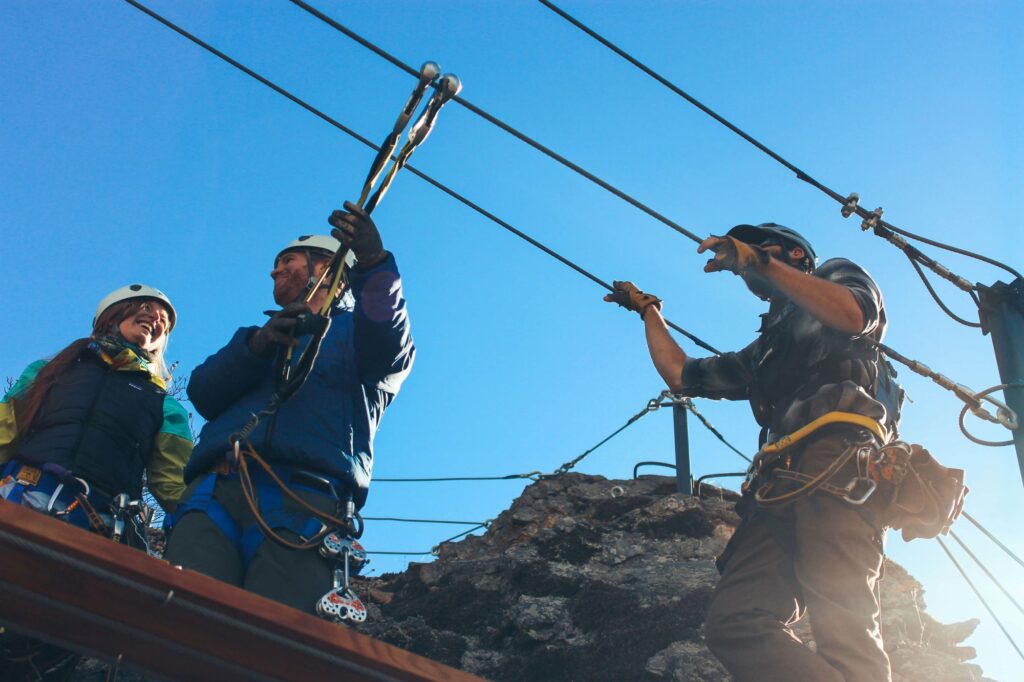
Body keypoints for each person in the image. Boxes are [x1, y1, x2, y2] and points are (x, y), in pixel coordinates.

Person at [604, 223, 900, 682]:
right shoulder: (765, 349)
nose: (753, 255)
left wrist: (757, 261)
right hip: (775, 486)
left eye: (765, 245)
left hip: (838, 462)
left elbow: (853, 314)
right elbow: (683, 375)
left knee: (846, 625)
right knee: (735, 622)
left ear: (797, 255)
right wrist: (648, 310)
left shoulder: (836, 274)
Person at [164, 201, 415, 616]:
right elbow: (205, 393)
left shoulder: (359, 337)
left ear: (326, 268)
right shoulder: (254, 338)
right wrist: (257, 348)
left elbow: (390, 343)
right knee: (184, 622)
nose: (274, 271)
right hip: (217, 492)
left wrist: (375, 266)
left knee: (275, 635)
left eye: (288, 260)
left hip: (305, 501)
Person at [0, 283, 192, 680]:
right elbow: (6, 429)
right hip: (19, 496)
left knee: (48, 637)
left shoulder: (164, 403)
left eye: (163, 322)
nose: (155, 319)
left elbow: (174, 484)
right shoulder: (49, 371)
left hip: (97, 521)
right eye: (144, 309)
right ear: (111, 316)